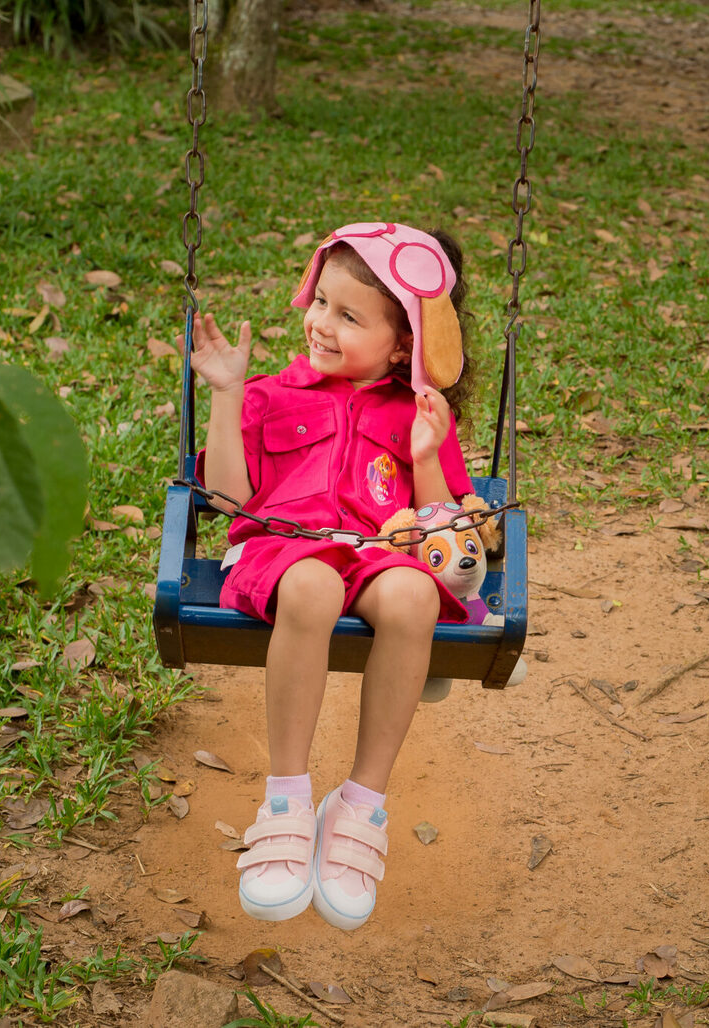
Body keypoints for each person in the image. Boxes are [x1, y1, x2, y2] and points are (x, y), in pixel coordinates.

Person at [186, 222, 479, 929]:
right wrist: (226, 394)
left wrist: (429, 451)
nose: (320, 324)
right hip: (280, 551)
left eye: (348, 316)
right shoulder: (267, 395)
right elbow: (229, 497)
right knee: (314, 582)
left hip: (375, 555)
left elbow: (440, 518)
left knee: (413, 593)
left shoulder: (417, 411)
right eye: (321, 302)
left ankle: (359, 808)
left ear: (402, 342)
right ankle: (284, 800)